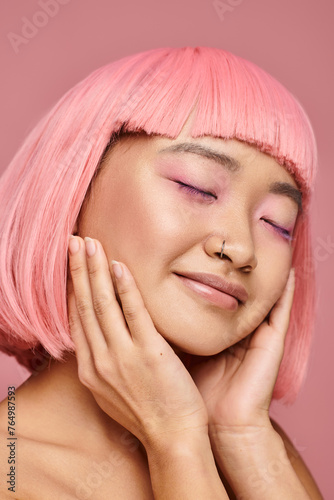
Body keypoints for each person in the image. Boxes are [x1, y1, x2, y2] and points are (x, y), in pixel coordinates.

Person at [0, 46, 323, 499]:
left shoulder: (260, 456)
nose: (241, 249)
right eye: (196, 187)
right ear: (73, 190)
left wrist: (243, 438)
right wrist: (175, 440)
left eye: (277, 223)